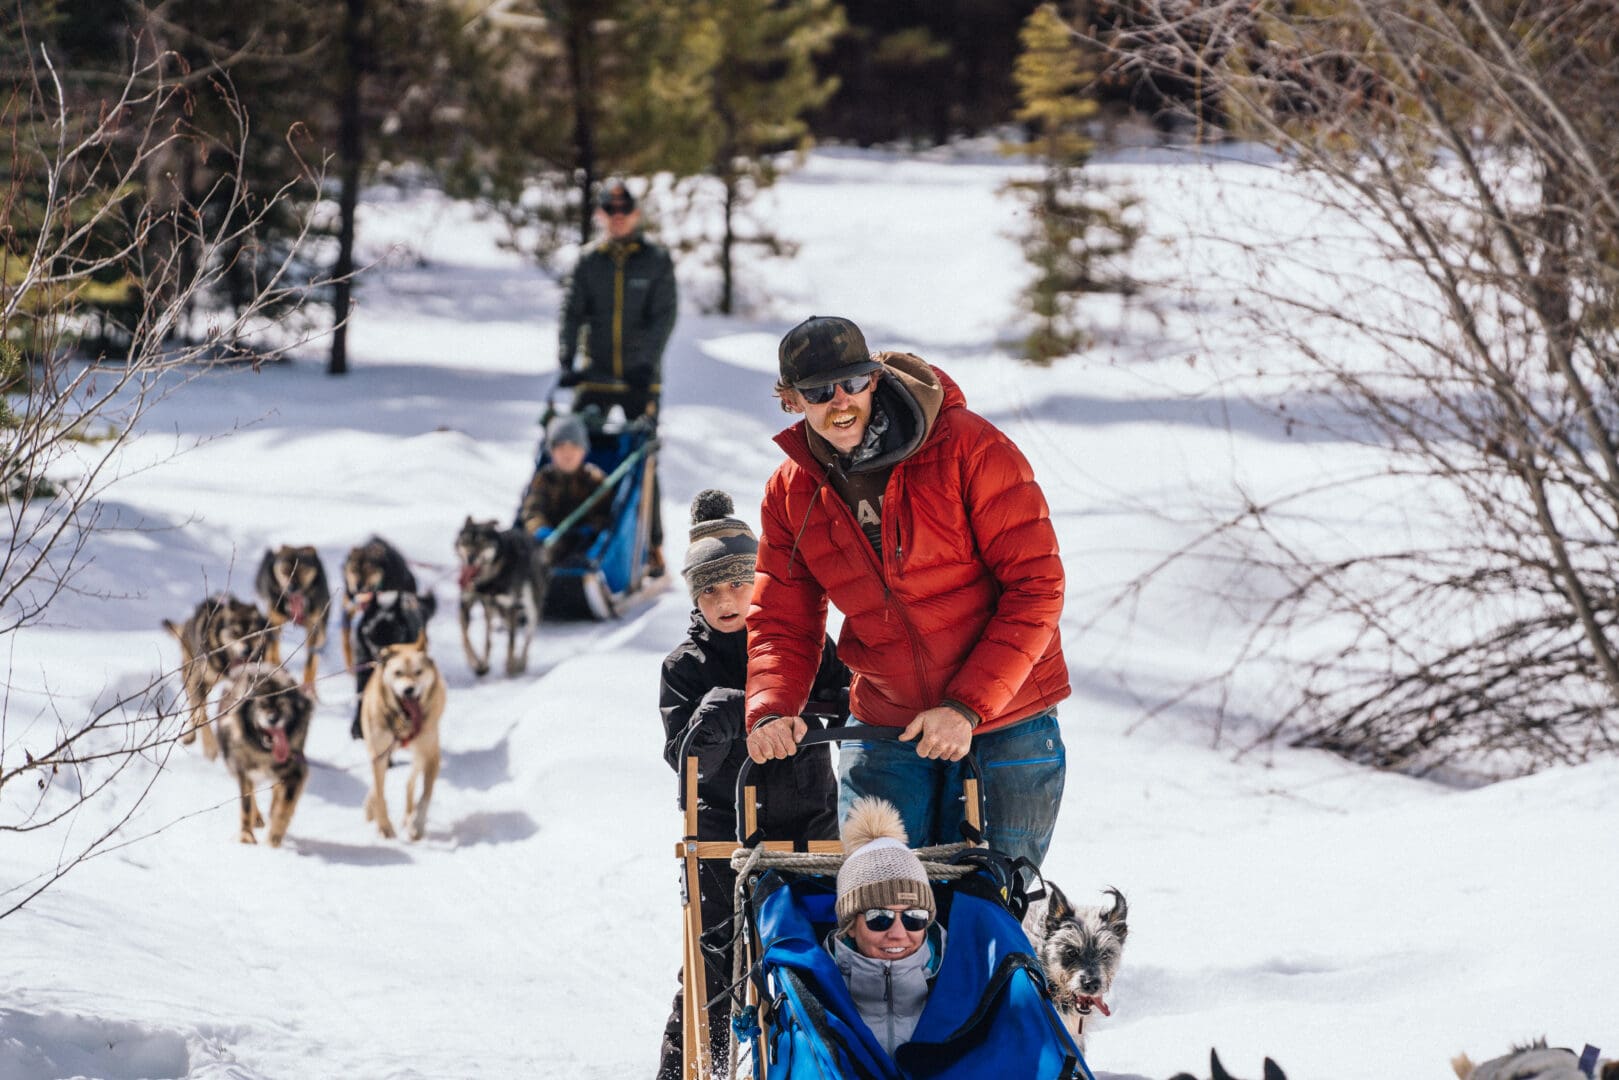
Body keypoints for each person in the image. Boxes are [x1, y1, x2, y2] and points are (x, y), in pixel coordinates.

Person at [744, 315, 1070, 869]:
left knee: (994, 912)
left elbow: (1036, 585)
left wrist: (965, 707)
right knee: (879, 907)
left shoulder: (968, 447)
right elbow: (782, 618)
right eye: (819, 392)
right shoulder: (791, 493)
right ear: (793, 401)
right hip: (887, 726)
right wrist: (772, 709)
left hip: (1006, 722)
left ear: (874, 378)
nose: (839, 402)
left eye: (852, 382)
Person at [654, 489, 849, 1080]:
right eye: (710, 590)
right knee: (714, 960)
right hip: (721, 831)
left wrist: (802, 717)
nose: (726, 600)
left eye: (738, 584)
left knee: (816, 949)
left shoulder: (805, 642)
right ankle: (694, 1067)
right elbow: (679, 753)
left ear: (759, 583)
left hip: (808, 821)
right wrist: (716, 721)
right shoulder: (685, 666)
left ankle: (817, 1063)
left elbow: (845, 705)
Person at [556, 178, 676, 576]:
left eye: (624, 211)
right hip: (596, 377)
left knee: (643, 459)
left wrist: (646, 364)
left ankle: (652, 545)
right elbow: (572, 310)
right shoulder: (590, 260)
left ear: (636, 215)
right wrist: (567, 358)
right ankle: (564, 537)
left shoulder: (656, 259)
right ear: (600, 215)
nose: (618, 218)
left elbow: (664, 317)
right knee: (568, 452)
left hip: (640, 380)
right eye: (611, 211)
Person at [827, 795, 944, 1058]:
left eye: (914, 917)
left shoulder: (958, 983)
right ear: (851, 926)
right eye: (879, 917)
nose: (898, 933)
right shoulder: (818, 990)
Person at [519, 413, 609, 566]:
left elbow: (605, 514)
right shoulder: (543, 479)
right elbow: (533, 510)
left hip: (585, 546)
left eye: (574, 447)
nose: (568, 454)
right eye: (561, 447)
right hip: (548, 544)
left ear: (583, 451)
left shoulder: (595, 480)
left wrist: (589, 530)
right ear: (552, 452)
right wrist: (541, 530)